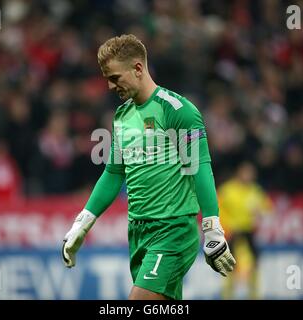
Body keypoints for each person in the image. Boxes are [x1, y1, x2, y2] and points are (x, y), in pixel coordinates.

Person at [62, 34, 235, 300]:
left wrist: (212, 227)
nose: (109, 86)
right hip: (138, 233)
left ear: (138, 69)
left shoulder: (178, 110)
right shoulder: (121, 116)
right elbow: (113, 174)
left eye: (115, 77)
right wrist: (82, 223)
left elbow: (200, 167)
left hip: (173, 230)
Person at [217, 161, 272, 299]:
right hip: (232, 234)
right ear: (239, 173)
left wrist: (260, 213)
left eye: (251, 173)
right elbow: (217, 210)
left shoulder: (255, 191)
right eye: (246, 172)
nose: (248, 176)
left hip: (248, 233)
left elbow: (268, 208)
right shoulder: (227, 190)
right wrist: (226, 227)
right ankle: (227, 296)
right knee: (229, 266)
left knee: (254, 265)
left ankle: (254, 295)